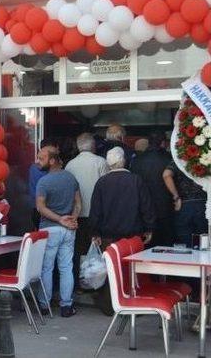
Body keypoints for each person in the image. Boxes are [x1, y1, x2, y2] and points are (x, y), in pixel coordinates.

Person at [90, 147, 155, 315]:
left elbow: (96, 211)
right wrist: (149, 228)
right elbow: (146, 206)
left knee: (110, 271)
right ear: (124, 161)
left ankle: (109, 306)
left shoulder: (101, 182)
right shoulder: (136, 180)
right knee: (131, 270)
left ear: (109, 163)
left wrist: (95, 233)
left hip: (108, 236)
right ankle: (134, 305)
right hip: (132, 235)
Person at [35, 145, 81, 318]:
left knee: (46, 268)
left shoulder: (43, 182)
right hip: (69, 229)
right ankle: (66, 306)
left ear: (52, 160)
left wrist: (59, 219)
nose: (38, 161)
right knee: (66, 267)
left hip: (49, 229)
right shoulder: (71, 178)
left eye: (41, 158)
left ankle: (44, 305)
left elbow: (40, 207)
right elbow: (78, 202)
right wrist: (73, 218)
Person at [64, 133, 108, 289]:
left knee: (78, 251)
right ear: (93, 146)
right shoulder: (101, 162)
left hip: (77, 214)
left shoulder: (70, 165)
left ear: (78, 146)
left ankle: (80, 284)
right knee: (97, 252)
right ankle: (96, 285)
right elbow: (106, 189)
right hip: (97, 214)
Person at [130, 133, 173, 246]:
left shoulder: (136, 161)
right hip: (166, 207)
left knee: (147, 245)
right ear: (163, 143)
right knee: (166, 244)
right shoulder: (168, 159)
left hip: (144, 208)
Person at [163, 159, 207, 248]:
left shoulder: (179, 160)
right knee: (204, 243)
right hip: (204, 205)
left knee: (185, 244)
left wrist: (176, 196)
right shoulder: (206, 159)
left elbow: (166, 175)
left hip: (184, 205)